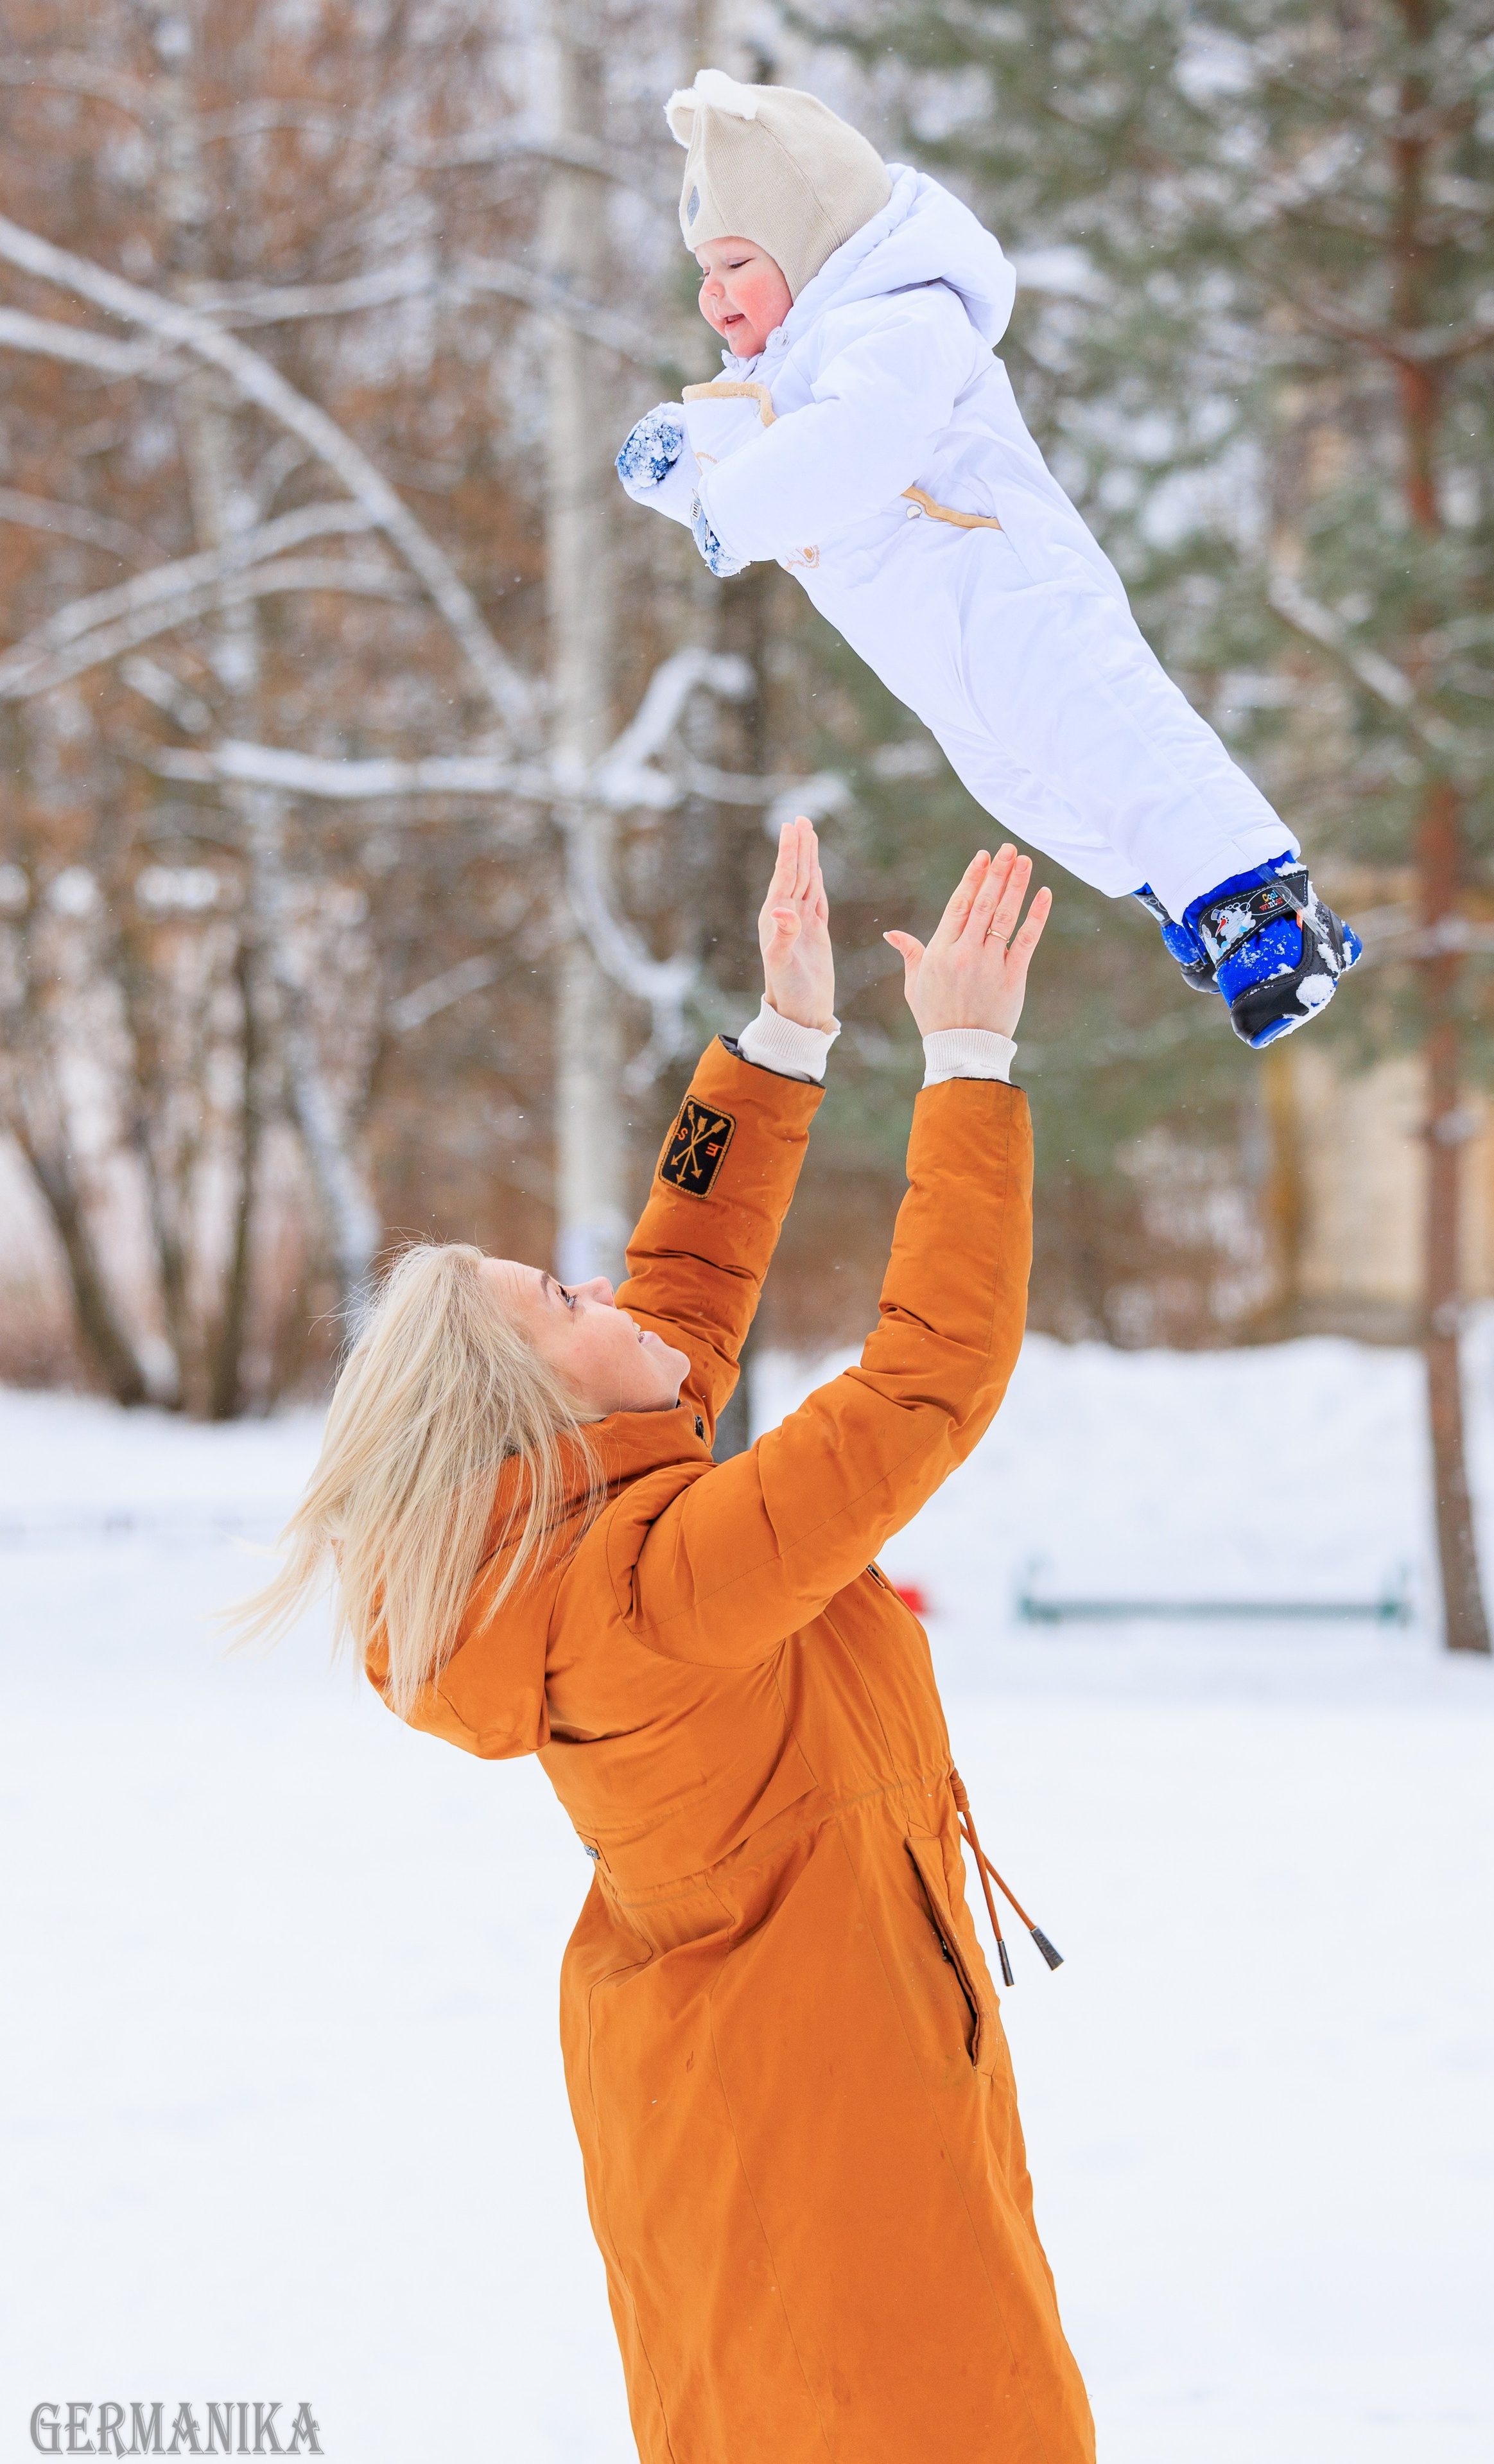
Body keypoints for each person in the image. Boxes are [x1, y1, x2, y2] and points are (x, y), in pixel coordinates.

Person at [236, 820, 1096, 2464]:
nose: (614, 1297)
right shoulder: (662, 1592)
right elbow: (924, 1384)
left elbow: (680, 1293)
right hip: (821, 2102)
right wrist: (969, 1064)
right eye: (565, 1304)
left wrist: (777, 1041)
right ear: (540, 1416)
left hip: (752, 2081)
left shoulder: (579, 1539)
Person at [616, 69, 1363, 1052]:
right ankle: (1181, 899)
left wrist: (731, 508)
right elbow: (748, 458)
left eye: (737, 264)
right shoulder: (781, 373)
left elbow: (854, 446)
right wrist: (679, 464)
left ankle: (1264, 912)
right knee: (1041, 792)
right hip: (932, 652)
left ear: (809, 243)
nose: (714, 296)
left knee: (1107, 736)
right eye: (703, 272)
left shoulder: (900, 321)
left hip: (1009, 592)